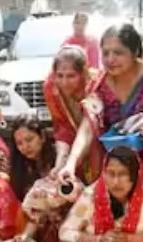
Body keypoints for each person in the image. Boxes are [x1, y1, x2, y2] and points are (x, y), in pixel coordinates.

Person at [59, 23, 143, 212]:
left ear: (135, 52)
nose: (110, 59)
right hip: (120, 173)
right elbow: (88, 125)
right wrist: (71, 163)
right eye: (105, 53)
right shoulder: (100, 85)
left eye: (118, 52)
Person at [43, 46, 102, 184]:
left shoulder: (96, 83)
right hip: (75, 154)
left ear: (83, 73)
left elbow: (89, 125)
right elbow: (62, 128)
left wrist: (71, 162)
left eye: (71, 76)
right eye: (60, 75)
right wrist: (60, 162)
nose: (64, 82)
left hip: (100, 145)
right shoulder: (51, 89)